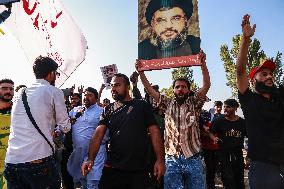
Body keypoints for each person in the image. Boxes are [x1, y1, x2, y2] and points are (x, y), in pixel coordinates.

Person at [137, 50, 210, 189]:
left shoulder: (195, 103)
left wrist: (203, 65)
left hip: (193, 157)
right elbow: (150, 90)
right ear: (173, 90)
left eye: (184, 87)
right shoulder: (167, 103)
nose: (180, 89)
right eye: (177, 87)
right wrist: (141, 72)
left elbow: (206, 85)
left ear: (188, 90)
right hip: (172, 159)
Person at [81, 73, 165, 189]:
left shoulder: (141, 105)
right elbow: (98, 135)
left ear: (127, 87)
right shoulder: (108, 109)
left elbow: (155, 132)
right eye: (112, 86)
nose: (113, 89)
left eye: (117, 85)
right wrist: (90, 159)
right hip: (113, 168)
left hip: (138, 170)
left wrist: (160, 160)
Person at [4, 56, 71, 189]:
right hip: (37, 161)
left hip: (12, 161)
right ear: (51, 73)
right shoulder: (53, 91)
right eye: (56, 74)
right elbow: (66, 127)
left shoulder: (19, 93)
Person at [236, 14, 284, 189]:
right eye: (263, 74)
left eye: (271, 73)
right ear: (253, 81)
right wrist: (246, 39)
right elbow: (240, 72)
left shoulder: (279, 96)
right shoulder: (249, 100)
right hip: (263, 168)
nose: (270, 76)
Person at [67, 87, 105, 189]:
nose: (86, 97)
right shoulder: (75, 111)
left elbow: (106, 132)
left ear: (96, 99)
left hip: (96, 152)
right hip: (78, 153)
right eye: (85, 95)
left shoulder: (102, 111)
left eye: (90, 95)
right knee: (83, 181)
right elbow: (64, 123)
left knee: (93, 183)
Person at [209, 99, 246, 189]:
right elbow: (210, 132)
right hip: (223, 154)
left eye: (228, 107)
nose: (225, 109)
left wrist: (248, 155)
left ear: (235, 108)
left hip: (238, 154)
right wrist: (214, 138)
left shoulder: (242, 122)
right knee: (228, 179)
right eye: (224, 107)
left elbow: (249, 138)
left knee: (239, 179)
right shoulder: (219, 120)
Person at [0, 79, 14, 188]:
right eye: (4, 88)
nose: (8, 91)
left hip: (15, 166)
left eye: (11, 89)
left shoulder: (19, 111)